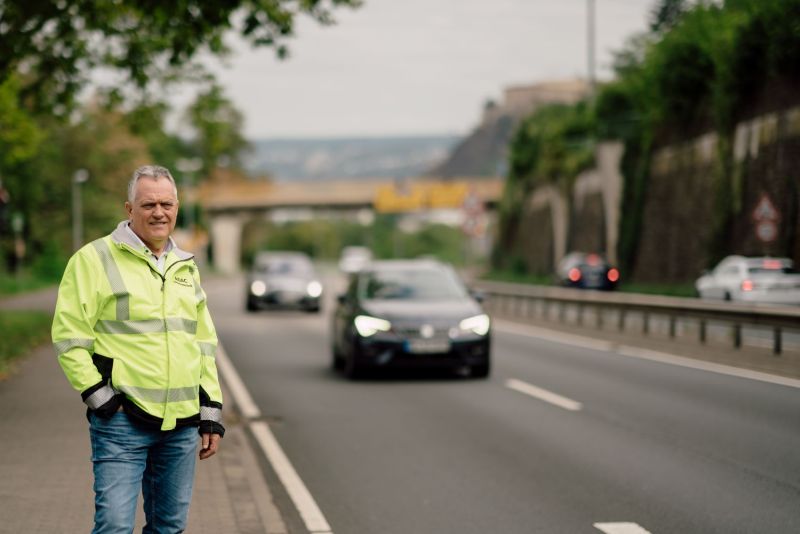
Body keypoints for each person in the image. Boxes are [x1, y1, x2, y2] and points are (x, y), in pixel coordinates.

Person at [52, 165, 224, 533]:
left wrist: (210, 413)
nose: (158, 212)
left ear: (177, 207)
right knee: (114, 526)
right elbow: (69, 336)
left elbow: (203, 344)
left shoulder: (185, 266)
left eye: (166, 203)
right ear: (129, 209)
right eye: (148, 205)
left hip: (180, 425)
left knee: (168, 527)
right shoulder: (92, 259)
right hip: (121, 424)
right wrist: (101, 399)